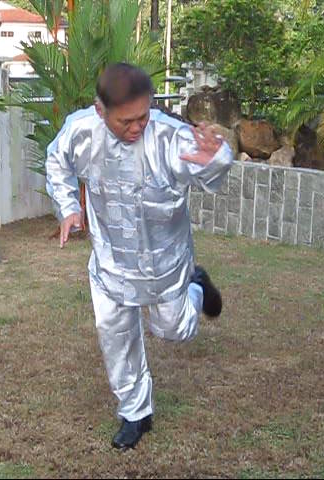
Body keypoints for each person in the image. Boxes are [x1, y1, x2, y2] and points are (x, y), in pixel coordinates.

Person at [45, 63, 234, 449]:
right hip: (111, 261)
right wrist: (68, 208)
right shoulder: (81, 131)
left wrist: (218, 157)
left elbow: (210, 162)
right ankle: (135, 413)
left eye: (143, 117)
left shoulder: (167, 136)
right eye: (126, 121)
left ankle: (197, 287)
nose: (137, 128)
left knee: (174, 329)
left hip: (164, 263)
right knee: (115, 336)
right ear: (101, 110)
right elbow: (57, 161)